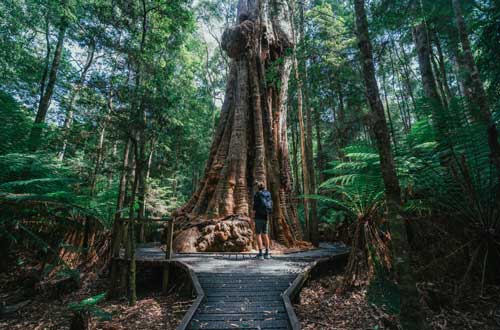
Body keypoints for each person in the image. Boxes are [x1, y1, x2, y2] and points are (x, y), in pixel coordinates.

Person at [253, 182, 272, 260]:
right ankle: (267, 253)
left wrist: (252, 217)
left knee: (258, 234)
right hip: (265, 217)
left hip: (258, 217)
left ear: (258, 187)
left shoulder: (257, 194)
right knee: (265, 234)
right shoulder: (268, 194)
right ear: (264, 187)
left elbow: (254, 207)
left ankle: (260, 254)